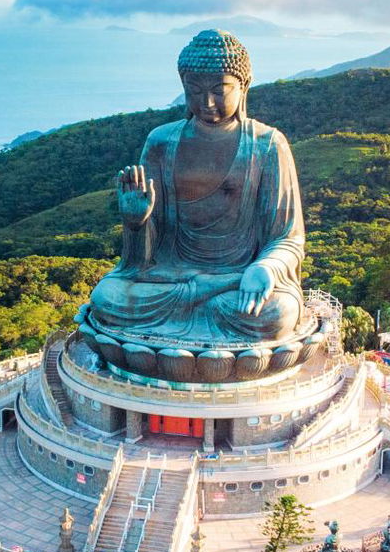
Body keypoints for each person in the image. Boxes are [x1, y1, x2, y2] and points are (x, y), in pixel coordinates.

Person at [87, 29, 305, 347]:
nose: (207, 102)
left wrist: (265, 268)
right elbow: (140, 261)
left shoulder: (268, 145)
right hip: (171, 278)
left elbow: (288, 238)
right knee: (107, 297)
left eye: (220, 90)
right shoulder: (161, 142)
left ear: (243, 86)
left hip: (238, 279)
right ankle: (203, 314)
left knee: (276, 314)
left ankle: (195, 320)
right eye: (194, 90)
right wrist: (137, 223)